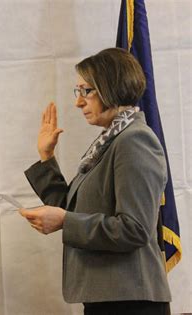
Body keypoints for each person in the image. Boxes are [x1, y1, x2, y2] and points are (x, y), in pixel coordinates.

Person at [19, 48, 171, 315]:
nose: (79, 102)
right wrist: (46, 158)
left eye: (86, 91)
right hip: (109, 298)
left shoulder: (134, 141)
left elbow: (134, 229)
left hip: (131, 302)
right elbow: (72, 209)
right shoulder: (110, 141)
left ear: (110, 87)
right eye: (78, 92)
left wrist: (65, 221)